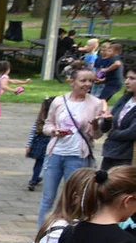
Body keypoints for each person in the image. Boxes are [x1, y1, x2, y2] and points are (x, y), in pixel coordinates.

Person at [36, 67, 107, 226]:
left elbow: (96, 136)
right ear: (72, 82)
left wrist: (95, 125)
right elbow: (47, 126)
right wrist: (55, 131)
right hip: (55, 154)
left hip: (77, 156)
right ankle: (42, 234)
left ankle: (69, 233)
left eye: (90, 80)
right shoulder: (59, 101)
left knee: (74, 197)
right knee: (48, 198)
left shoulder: (95, 103)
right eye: (83, 80)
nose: (87, 84)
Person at [100, 68, 136, 171]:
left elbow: (131, 133)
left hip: (127, 157)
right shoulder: (124, 99)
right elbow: (105, 128)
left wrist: (111, 134)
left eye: (132, 78)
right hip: (110, 153)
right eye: (127, 77)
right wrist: (107, 120)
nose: (126, 81)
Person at [26, 96, 55, 191]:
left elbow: (33, 131)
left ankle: (35, 177)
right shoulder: (55, 119)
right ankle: (33, 180)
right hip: (49, 141)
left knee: (39, 161)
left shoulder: (40, 118)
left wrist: (29, 144)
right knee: (43, 162)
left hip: (38, 140)